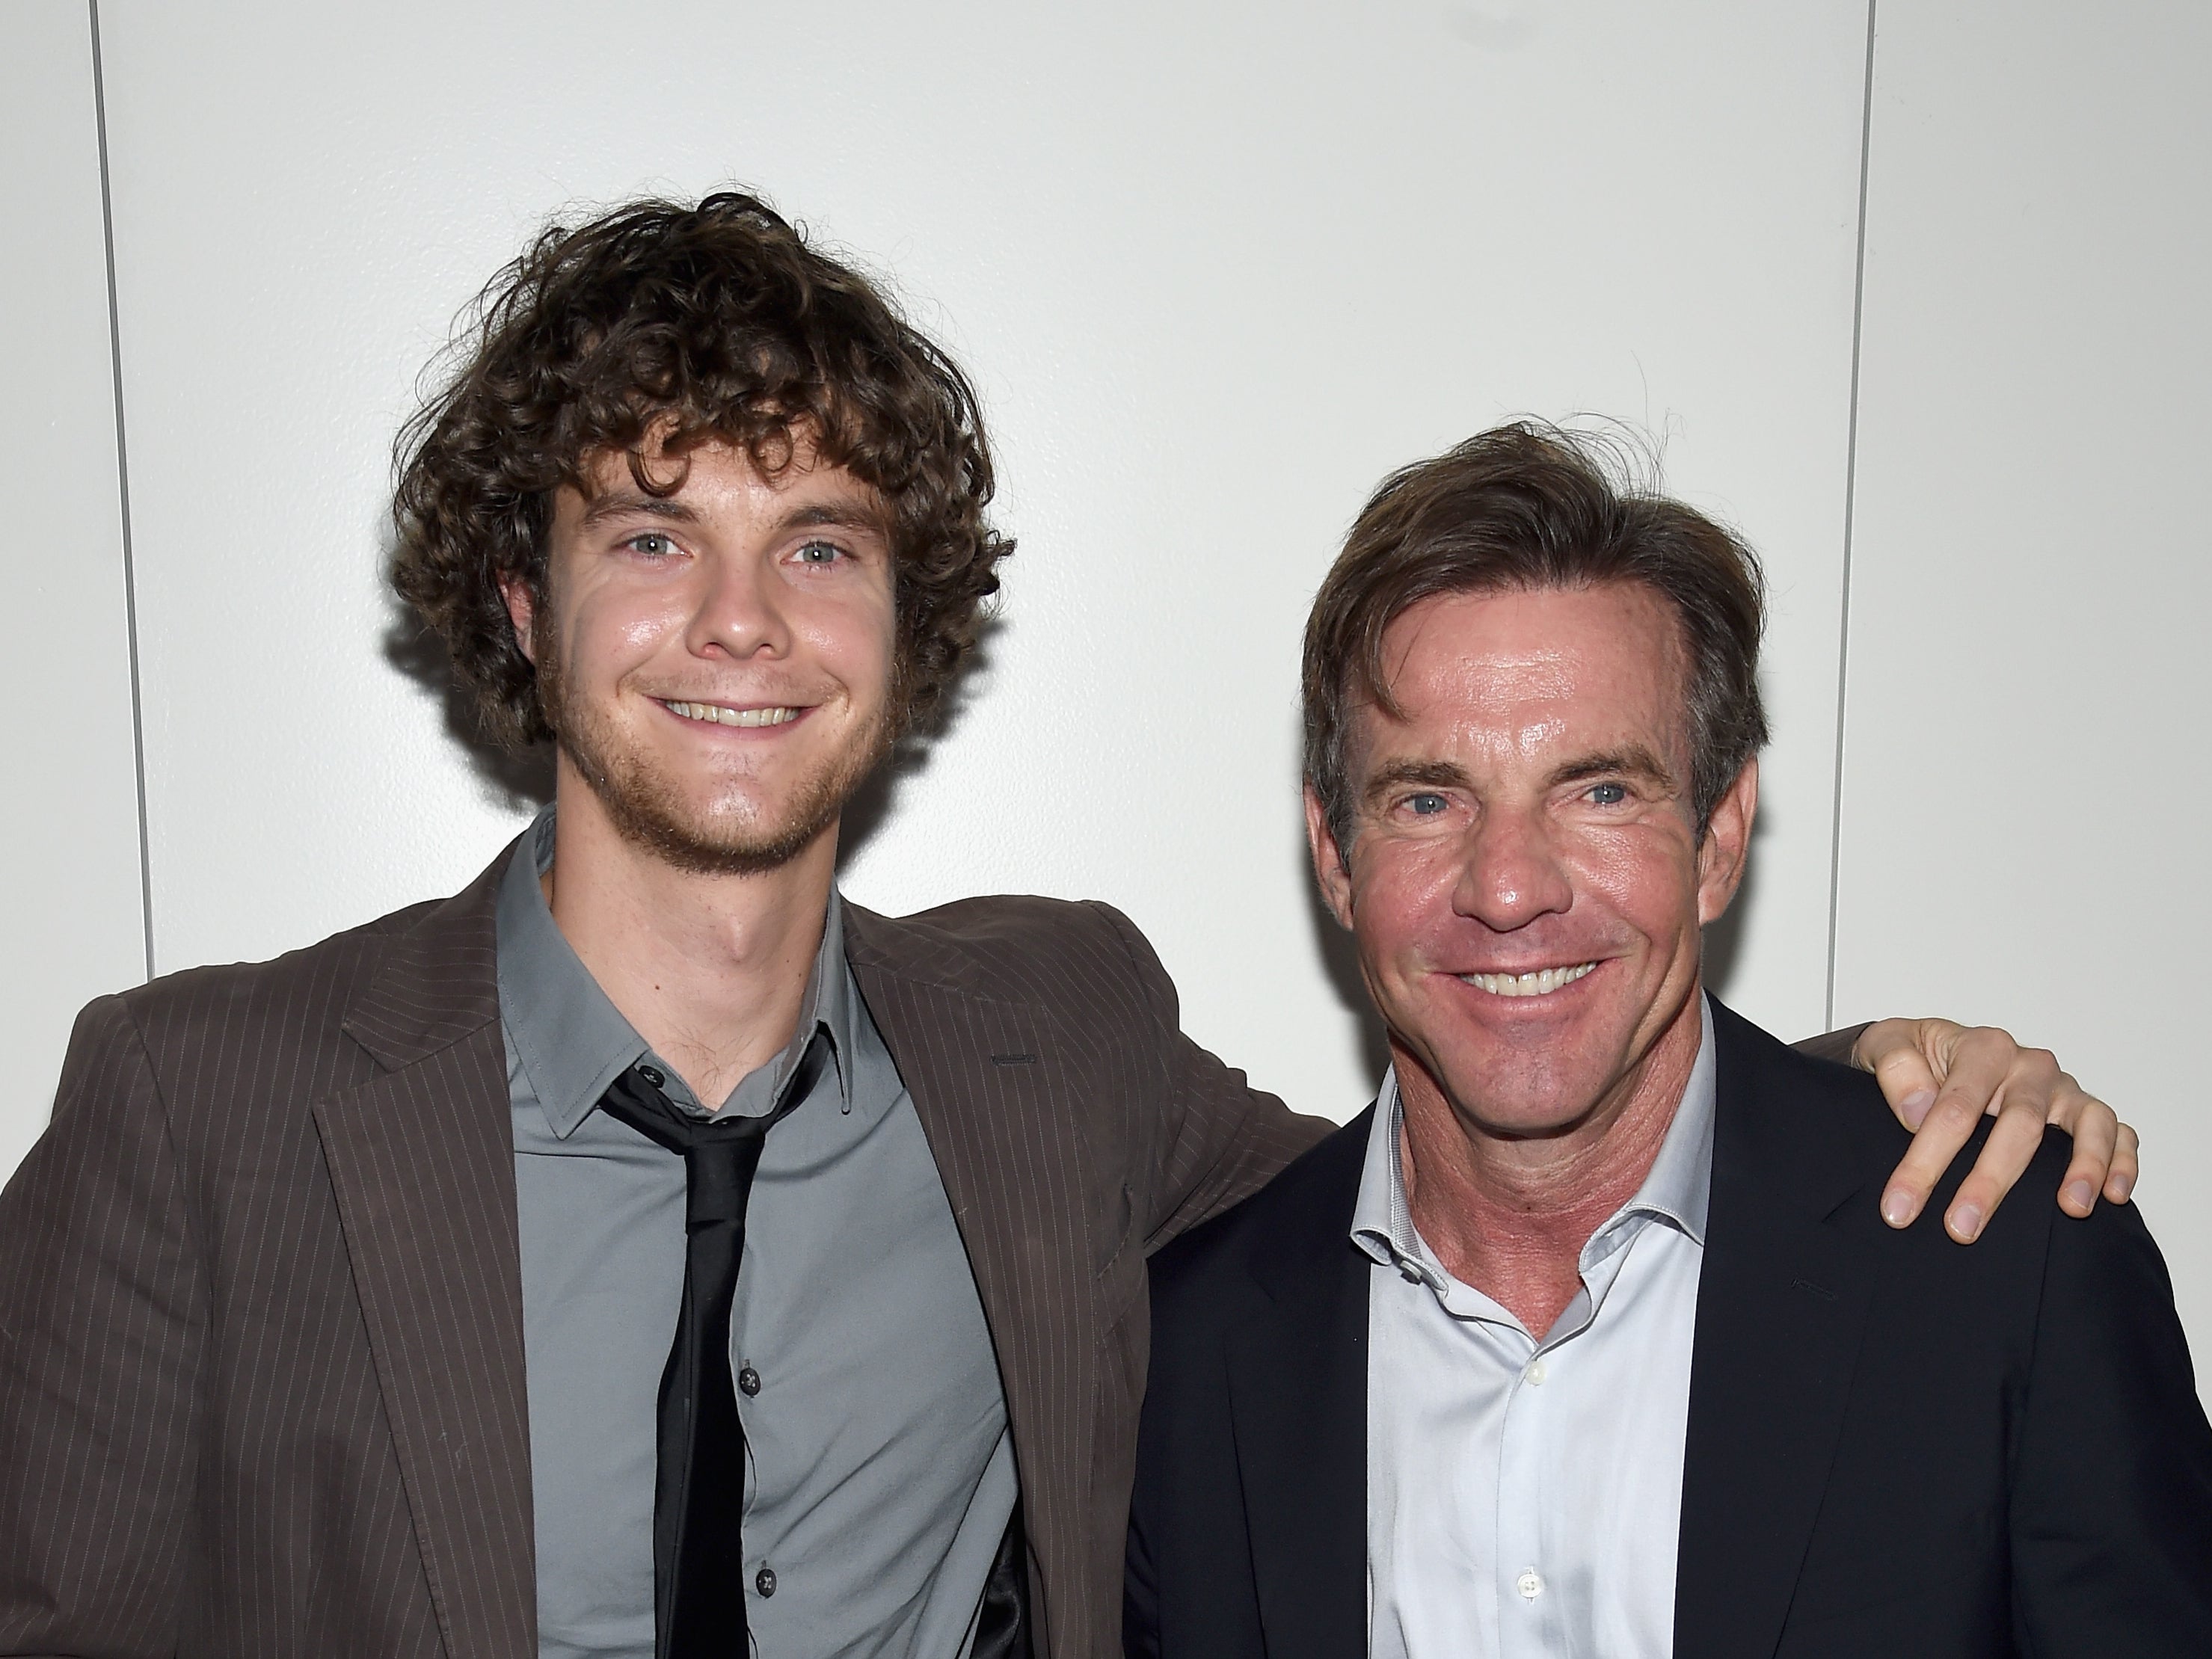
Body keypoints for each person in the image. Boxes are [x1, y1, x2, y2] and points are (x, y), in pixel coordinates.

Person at [0, 196, 2135, 1659]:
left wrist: (1861, 1082)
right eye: (653, 532)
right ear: (518, 601)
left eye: (818, 541)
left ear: (903, 621)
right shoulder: (201, 1110)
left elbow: (1492, 1141)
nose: (741, 621)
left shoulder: (1052, 1048)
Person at [1124, 424, 2212, 1658]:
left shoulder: (2008, 1270)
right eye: (1429, 799)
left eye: (1598, 791)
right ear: (1334, 853)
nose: (1508, 885)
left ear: (1719, 834)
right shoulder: (1185, 1356)